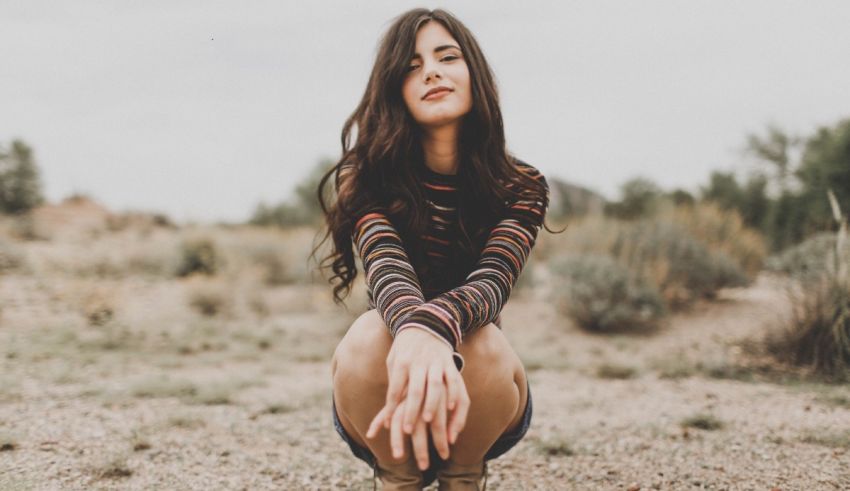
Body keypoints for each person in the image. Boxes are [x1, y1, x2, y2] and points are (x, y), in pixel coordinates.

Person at [314, 7, 562, 490]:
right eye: (410, 66)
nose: (430, 70)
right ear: (394, 91)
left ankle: (464, 476)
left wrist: (434, 329)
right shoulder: (364, 177)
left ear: (474, 73)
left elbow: (493, 282)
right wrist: (417, 331)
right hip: (385, 395)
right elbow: (387, 268)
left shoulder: (521, 185)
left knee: (484, 339)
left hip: (481, 399)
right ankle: (398, 478)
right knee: (368, 335)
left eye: (447, 57)